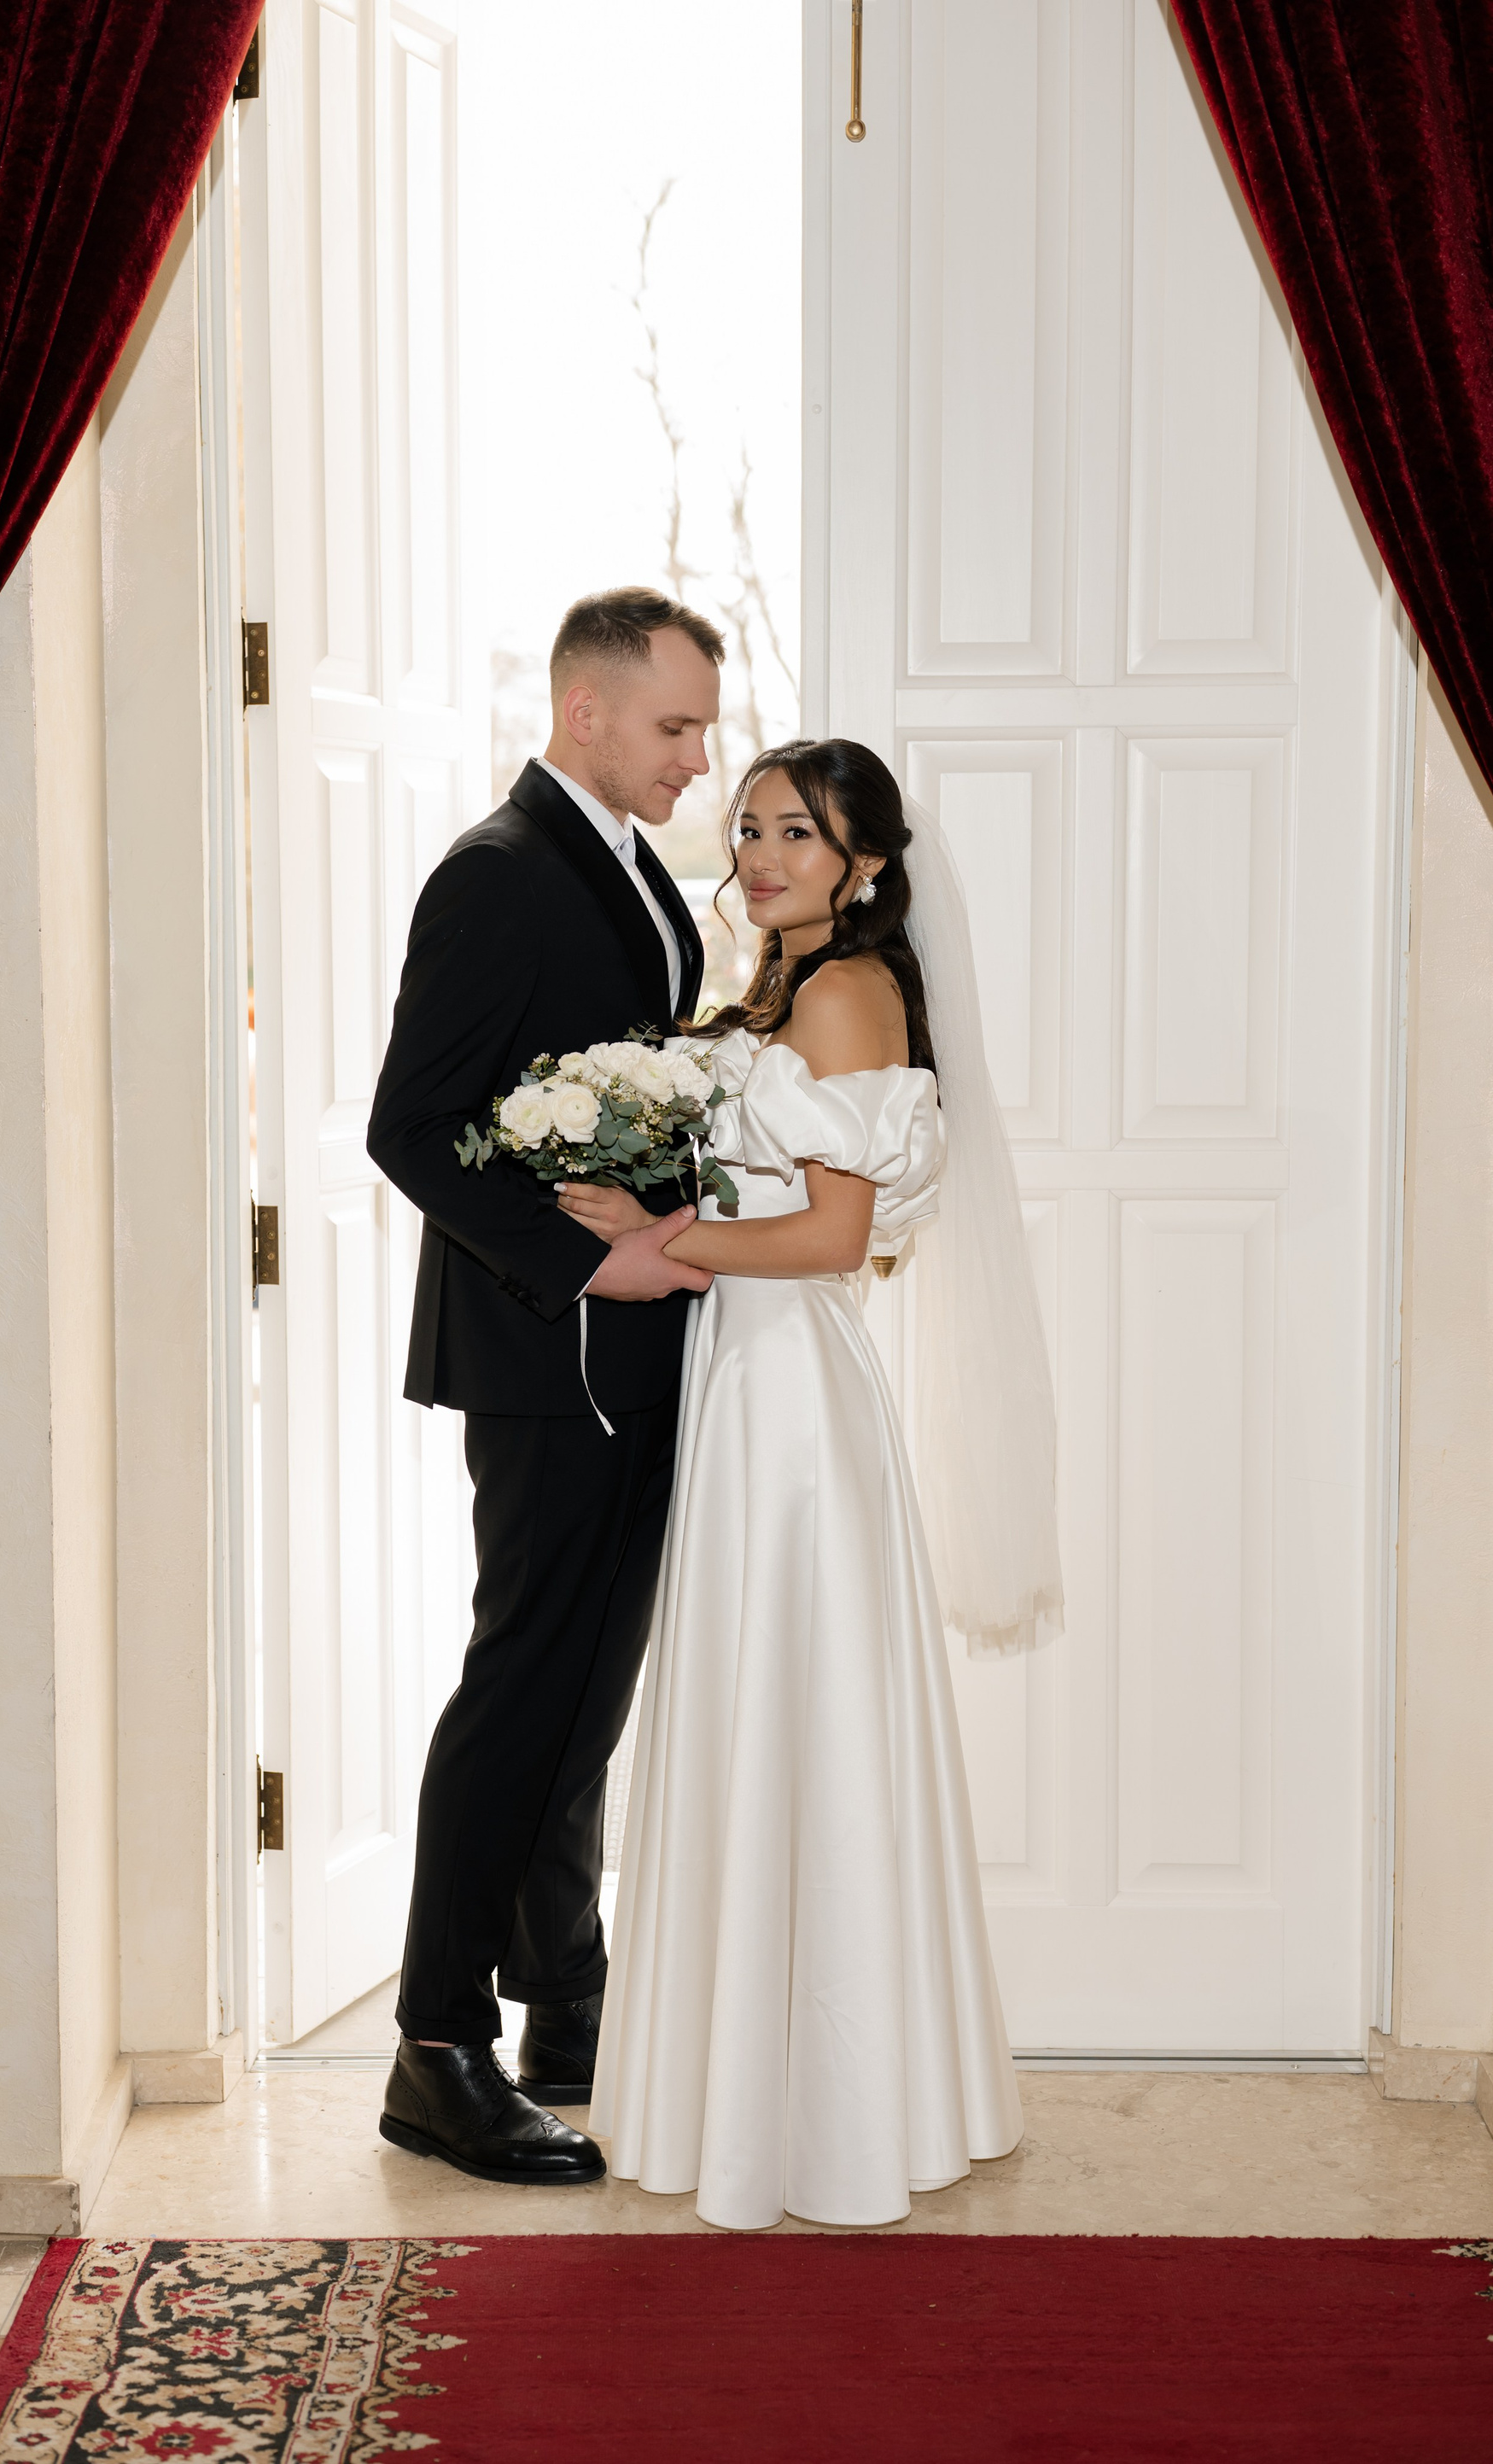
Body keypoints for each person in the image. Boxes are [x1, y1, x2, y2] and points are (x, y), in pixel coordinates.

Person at [570, 738, 1064, 2230]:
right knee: (759, 1705)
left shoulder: (845, 990)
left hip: (791, 1396)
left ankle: (827, 2119)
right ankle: (760, 2097)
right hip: (749, 1374)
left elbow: (834, 1237)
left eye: (799, 831)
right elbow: (772, 1191)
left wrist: (662, 1245)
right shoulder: (779, 987)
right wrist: (654, 1201)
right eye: (751, 827)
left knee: (802, 1706)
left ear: (866, 863)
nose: (764, 854)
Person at [365, 586, 720, 2186]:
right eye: (675, 725)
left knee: (592, 1682)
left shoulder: (636, 869)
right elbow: (411, 1125)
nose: (698, 757)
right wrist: (589, 1264)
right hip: (544, 1348)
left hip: (635, 1347)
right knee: (524, 1681)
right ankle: (437, 2046)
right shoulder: (499, 873)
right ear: (588, 712)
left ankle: (565, 1997)